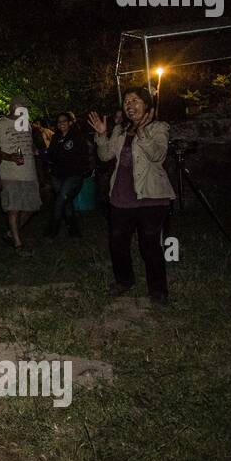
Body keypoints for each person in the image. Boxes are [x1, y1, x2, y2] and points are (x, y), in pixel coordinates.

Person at [88, 86, 175, 304]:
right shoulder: (120, 130)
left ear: (147, 106)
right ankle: (124, 280)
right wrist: (101, 134)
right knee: (117, 242)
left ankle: (158, 290)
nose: (130, 105)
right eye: (127, 101)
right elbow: (106, 156)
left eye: (135, 100)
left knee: (149, 244)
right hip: (121, 196)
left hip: (151, 196)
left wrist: (142, 130)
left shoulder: (159, 127)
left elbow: (158, 155)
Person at [0, 97, 41, 248]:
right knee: (13, 208)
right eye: (24, 106)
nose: (26, 110)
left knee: (32, 206)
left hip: (29, 172)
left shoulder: (26, 124)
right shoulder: (0, 125)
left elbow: (27, 142)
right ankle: (17, 243)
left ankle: (11, 232)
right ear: (15, 106)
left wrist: (33, 148)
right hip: (10, 174)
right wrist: (8, 156)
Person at [46, 112, 92, 239]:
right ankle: (74, 231)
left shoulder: (77, 137)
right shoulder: (56, 138)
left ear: (70, 122)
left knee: (61, 199)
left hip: (73, 175)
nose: (61, 124)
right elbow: (50, 154)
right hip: (57, 175)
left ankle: (52, 231)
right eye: (59, 121)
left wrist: (82, 169)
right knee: (65, 203)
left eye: (64, 121)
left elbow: (84, 155)